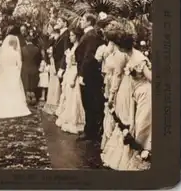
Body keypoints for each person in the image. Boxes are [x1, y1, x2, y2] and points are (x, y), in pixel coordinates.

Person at [101, 21, 151, 170]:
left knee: (142, 125)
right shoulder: (128, 55)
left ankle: (141, 155)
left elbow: (152, 78)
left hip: (144, 93)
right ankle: (136, 154)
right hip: (135, 92)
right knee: (134, 124)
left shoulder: (138, 58)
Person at [0, 35, 31, 119]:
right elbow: (19, 65)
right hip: (13, 73)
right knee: (14, 91)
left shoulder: (3, 54)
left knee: (2, 90)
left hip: (4, 74)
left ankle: (0, 108)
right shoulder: (16, 53)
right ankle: (13, 108)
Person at [75, 13, 105, 141]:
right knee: (88, 102)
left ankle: (90, 131)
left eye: (82, 20)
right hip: (88, 73)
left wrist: (82, 74)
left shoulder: (91, 36)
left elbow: (88, 57)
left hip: (89, 75)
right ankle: (90, 129)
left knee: (89, 101)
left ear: (89, 22)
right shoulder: (89, 35)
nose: (80, 22)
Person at [54, 30, 86, 134]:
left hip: (73, 74)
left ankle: (76, 120)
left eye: (72, 35)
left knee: (74, 97)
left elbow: (78, 64)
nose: (70, 37)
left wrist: (73, 78)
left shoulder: (78, 48)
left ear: (76, 37)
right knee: (67, 96)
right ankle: (67, 117)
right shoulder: (72, 48)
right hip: (68, 73)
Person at [21, 33, 42, 105]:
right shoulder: (37, 49)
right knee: (33, 85)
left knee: (26, 85)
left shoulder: (23, 49)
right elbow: (39, 60)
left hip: (25, 69)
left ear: (26, 41)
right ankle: (33, 97)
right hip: (34, 69)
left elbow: (21, 59)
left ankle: (27, 97)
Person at [43, 46, 61, 114]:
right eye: (49, 49)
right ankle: (50, 102)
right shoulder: (49, 56)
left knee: (56, 87)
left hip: (54, 72)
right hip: (51, 73)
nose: (49, 50)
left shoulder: (55, 57)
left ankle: (55, 102)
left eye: (51, 49)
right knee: (51, 87)